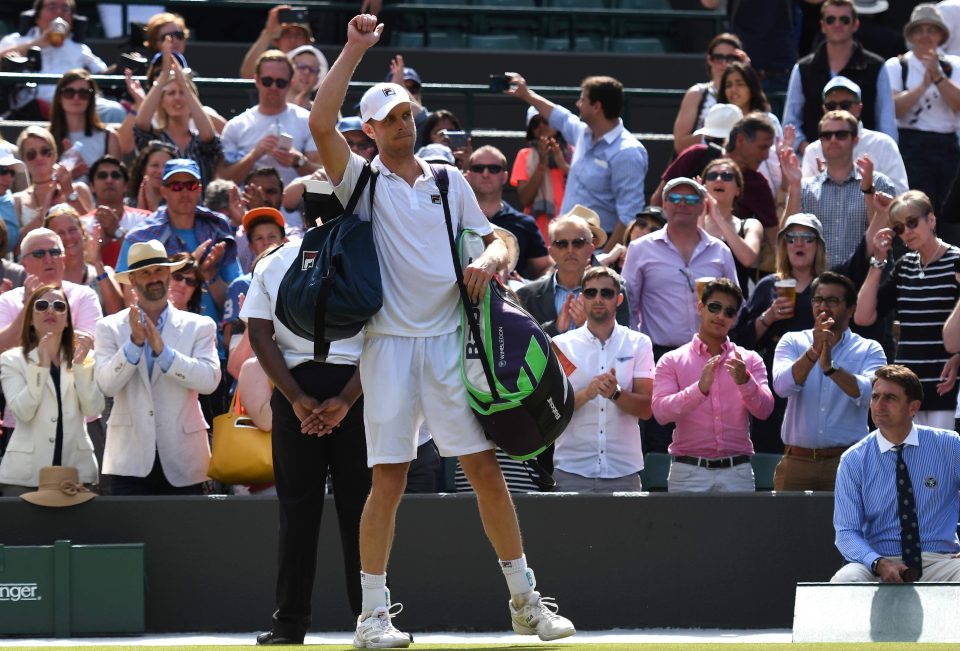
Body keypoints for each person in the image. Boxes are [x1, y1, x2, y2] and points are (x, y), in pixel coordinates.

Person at [309, 14, 576, 646]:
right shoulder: (360, 182)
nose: (402, 123)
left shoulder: (450, 180)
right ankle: (372, 616)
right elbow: (321, 122)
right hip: (389, 349)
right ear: (370, 131)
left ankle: (525, 601)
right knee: (390, 480)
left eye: (406, 114)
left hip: (455, 346)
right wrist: (354, 48)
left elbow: (500, 239)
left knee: (483, 469)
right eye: (389, 118)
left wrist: (490, 259)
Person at [242, 238, 370, 644]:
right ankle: (370, 619)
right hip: (354, 390)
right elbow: (386, 338)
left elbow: (260, 336)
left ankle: (290, 625)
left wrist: (297, 398)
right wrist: (346, 399)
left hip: (301, 387)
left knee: (299, 512)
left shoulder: (274, 260)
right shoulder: (368, 253)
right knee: (360, 513)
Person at [621, 177, 739, 454]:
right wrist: (638, 355)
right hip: (661, 355)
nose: (682, 204)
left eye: (690, 199)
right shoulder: (640, 248)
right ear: (663, 204)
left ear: (703, 206)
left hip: (711, 355)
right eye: (674, 198)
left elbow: (736, 303)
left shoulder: (720, 251)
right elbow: (628, 306)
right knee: (659, 439)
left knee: (710, 431)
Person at [94, 240, 220, 495]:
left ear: (169, 273)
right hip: (129, 460)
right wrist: (134, 343)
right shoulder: (109, 327)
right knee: (131, 535)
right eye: (145, 272)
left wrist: (165, 354)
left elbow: (209, 381)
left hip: (185, 459)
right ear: (132, 279)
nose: (154, 278)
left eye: (159, 270)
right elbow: (106, 384)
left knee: (186, 535)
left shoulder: (200, 325)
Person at [832, 364, 960, 583]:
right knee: (844, 581)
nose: (879, 405)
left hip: (939, 560)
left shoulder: (950, 446)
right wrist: (878, 562)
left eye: (890, 398)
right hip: (877, 562)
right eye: (875, 397)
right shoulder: (853, 459)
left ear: (913, 407)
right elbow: (846, 532)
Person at [652, 278, 773, 492]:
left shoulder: (750, 359)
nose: (720, 316)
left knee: (740, 528)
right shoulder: (671, 359)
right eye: (715, 307)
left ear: (735, 318)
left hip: (737, 470)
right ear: (700, 307)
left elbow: (765, 410)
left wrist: (746, 382)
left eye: (729, 312)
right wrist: (699, 390)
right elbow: (661, 412)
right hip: (688, 471)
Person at [771, 271, 887, 491]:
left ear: (852, 308)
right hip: (797, 461)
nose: (823, 306)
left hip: (847, 462)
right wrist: (813, 352)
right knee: (786, 525)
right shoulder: (792, 341)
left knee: (848, 526)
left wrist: (831, 369)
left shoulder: (869, 348)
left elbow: (870, 395)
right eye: (818, 299)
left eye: (833, 301)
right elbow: (781, 387)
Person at [506, 72, 647, 251]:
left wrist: (603, 259)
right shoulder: (583, 133)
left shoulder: (628, 152)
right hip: (567, 243)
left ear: (596, 107)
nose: (577, 104)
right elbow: (560, 116)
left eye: (582, 99)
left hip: (600, 247)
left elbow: (628, 215)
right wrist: (526, 94)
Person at [855, 190, 960, 429]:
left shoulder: (956, 260)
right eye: (899, 228)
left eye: (912, 222)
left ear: (931, 220)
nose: (907, 231)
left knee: (942, 464)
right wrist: (878, 261)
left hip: (945, 389)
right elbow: (863, 316)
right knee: (908, 464)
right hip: (907, 390)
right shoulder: (905, 266)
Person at [551, 266, 653, 492]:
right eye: (590, 293)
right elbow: (553, 411)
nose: (598, 299)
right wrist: (588, 394)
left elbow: (646, 409)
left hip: (623, 470)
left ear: (618, 299)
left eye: (606, 293)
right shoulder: (561, 345)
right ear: (582, 298)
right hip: (571, 469)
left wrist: (615, 393)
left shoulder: (639, 343)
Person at [0, 285, 103, 496]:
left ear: (67, 320)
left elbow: (94, 407)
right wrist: (41, 367)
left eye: (58, 306)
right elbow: (22, 411)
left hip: (76, 473)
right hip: (25, 477)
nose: (50, 310)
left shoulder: (85, 358)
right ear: (29, 318)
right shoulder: (11, 360)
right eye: (41, 305)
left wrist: (82, 367)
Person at [738, 214, 826, 453]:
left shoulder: (827, 286)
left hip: (819, 375)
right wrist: (769, 317)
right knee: (771, 446)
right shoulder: (769, 286)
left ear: (818, 246)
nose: (799, 243)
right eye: (791, 238)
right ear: (783, 246)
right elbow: (743, 340)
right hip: (776, 377)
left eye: (807, 238)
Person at [118, 158, 241, 324]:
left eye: (190, 185)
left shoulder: (218, 228)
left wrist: (210, 275)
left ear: (199, 190)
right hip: (161, 336)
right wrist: (190, 266)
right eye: (176, 186)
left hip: (213, 338)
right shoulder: (140, 238)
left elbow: (234, 301)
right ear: (164, 191)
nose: (184, 193)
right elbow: (132, 301)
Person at [781, 110, 897, 267]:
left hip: (865, 281)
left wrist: (869, 191)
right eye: (827, 135)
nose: (833, 140)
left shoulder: (880, 183)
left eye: (841, 134)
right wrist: (794, 186)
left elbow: (884, 236)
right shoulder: (804, 188)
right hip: (819, 284)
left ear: (855, 140)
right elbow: (786, 238)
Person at [221, 50, 321, 229]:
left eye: (280, 82)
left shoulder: (307, 121)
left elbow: (323, 176)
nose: (273, 87)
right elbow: (222, 179)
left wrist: (298, 161)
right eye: (267, 81)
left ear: (290, 84)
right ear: (257, 80)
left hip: (297, 219)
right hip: (247, 219)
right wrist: (254, 155)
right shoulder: (237, 126)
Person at [783, 0, 897, 154]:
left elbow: (886, 122)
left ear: (855, 24)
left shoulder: (876, 66)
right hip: (814, 164)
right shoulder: (803, 68)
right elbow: (791, 122)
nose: (837, 24)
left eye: (844, 20)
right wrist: (810, 150)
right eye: (831, 20)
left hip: (865, 163)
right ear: (823, 25)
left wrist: (883, 156)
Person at [885, 4, 960, 214]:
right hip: (911, 145)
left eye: (932, 30)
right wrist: (923, 86)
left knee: (949, 216)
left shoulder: (955, 65)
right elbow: (895, 110)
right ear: (911, 34)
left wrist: (937, 77)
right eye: (919, 30)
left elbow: (958, 104)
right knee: (917, 213)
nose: (925, 36)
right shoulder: (897, 66)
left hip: (947, 146)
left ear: (941, 35)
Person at [0, 0, 119, 122]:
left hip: (76, 100)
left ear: (71, 21)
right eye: (52, 7)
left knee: (114, 110)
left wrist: (123, 65)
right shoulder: (16, 41)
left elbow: (103, 73)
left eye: (65, 9)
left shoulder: (79, 48)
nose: (59, 13)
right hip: (33, 104)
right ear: (37, 17)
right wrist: (38, 42)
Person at [516, 208, 629, 336]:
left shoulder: (614, 289)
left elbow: (624, 344)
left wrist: (590, 327)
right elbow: (522, 349)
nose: (570, 250)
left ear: (591, 248)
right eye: (562, 244)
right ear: (551, 251)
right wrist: (555, 328)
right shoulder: (525, 296)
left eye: (578, 243)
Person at [800, 77, 908, 194]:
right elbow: (804, 200)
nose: (838, 109)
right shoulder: (813, 150)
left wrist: (868, 186)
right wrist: (825, 180)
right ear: (824, 109)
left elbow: (900, 194)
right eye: (831, 106)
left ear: (859, 108)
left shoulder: (883, 144)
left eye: (845, 105)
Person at [133, 53, 221, 191]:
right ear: (162, 101)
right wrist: (163, 77)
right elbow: (141, 125)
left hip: (197, 211)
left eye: (182, 93)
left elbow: (209, 138)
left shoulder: (199, 142)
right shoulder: (156, 141)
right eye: (171, 93)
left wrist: (185, 85)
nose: (177, 98)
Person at [466, 146, 551, 280]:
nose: (485, 174)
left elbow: (546, 267)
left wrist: (527, 285)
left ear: (505, 176)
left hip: (510, 296)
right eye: (478, 168)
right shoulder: (456, 218)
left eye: (494, 169)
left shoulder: (524, 223)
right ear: (468, 175)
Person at [13, 126, 92, 248]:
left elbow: (92, 229)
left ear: (54, 155)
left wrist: (69, 193)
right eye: (31, 154)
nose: (39, 157)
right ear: (24, 160)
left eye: (45, 151)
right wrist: (43, 214)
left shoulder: (79, 189)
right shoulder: (17, 200)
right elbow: (17, 248)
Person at [672, 32, 748, 154]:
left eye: (731, 58)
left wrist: (746, 73)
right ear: (709, 59)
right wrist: (711, 136)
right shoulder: (697, 93)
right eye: (718, 58)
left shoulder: (747, 93)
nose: (724, 64)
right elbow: (680, 144)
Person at [715, 62, 783, 195]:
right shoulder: (717, 119)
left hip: (764, 190)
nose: (733, 90)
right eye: (728, 85)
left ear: (751, 87)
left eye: (740, 84)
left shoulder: (769, 120)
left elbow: (775, 160)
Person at [44, 203, 123, 316]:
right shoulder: (47, 279)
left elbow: (117, 314)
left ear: (83, 232)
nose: (68, 237)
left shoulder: (104, 272)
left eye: (72, 230)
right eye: (60, 233)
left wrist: (97, 262)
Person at [700, 157, 763, 294]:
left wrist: (719, 218)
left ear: (738, 190)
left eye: (727, 176)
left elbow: (748, 259)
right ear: (703, 187)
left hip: (735, 309)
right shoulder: (692, 224)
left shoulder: (749, 225)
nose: (719, 179)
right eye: (712, 176)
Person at [510, 106, 571, 244]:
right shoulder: (524, 155)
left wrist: (562, 165)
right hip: (538, 233)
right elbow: (525, 198)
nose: (541, 126)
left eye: (546, 121)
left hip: (570, 228)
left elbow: (585, 186)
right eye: (535, 123)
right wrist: (542, 165)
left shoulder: (573, 152)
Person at [47, 70, 121, 183]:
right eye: (69, 92)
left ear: (91, 99)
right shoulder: (46, 138)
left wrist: (87, 172)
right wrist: (67, 177)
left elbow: (116, 184)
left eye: (83, 93)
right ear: (59, 98)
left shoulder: (109, 137)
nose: (76, 98)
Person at [82, 155, 150, 269]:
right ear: (92, 186)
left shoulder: (145, 219)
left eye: (115, 175)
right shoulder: (82, 224)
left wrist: (117, 231)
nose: (109, 180)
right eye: (102, 176)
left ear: (125, 186)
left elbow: (149, 260)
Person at [239, 4, 314, 80]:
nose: (292, 39)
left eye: (298, 34)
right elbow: (248, 75)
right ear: (277, 41)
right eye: (287, 34)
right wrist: (268, 32)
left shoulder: (315, 66)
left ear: (308, 42)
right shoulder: (270, 66)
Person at [127, 140, 177, 214]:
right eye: (155, 165)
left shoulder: (178, 208)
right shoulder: (127, 205)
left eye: (166, 166)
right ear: (143, 170)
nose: (161, 171)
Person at [286, 44, 329, 110]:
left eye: (312, 69)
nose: (307, 72)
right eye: (301, 67)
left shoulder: (324, 112)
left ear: (317, 79)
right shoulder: (271, 107)